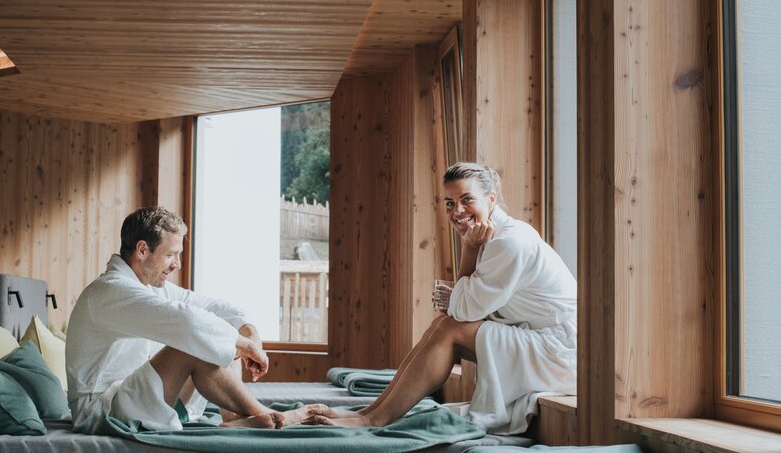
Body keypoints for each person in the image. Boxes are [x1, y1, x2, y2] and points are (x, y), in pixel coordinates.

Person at [310, 162, 576, 434]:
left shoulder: (507, 242)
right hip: (539, 340)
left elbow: (461, 312)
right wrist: (468, 260)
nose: (457, 211)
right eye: (449, 203)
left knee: (448, 329)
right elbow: (458, 310)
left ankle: (375, 418)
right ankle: (369, 413)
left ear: (491, 199)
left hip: (561, 351)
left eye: (467, 200)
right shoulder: (493, 236)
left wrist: (468, 248)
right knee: (442, 326)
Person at [67, 206, 328, 433]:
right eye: (170, 255)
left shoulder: (148, 288)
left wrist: (249, 332)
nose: (177, 264)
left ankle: (234, 416)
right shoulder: (110, 291)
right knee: (196, 340)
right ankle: (269, 415)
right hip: (101, 412)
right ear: (143, 250)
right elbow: (188, 322)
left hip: (134, 398)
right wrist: (244, 345)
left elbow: (212, 307)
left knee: (216, 330)